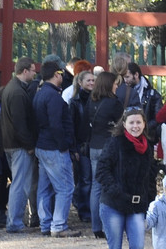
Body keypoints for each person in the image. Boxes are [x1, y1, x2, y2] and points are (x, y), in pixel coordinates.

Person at [96, 108, 157, 249]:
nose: (135, 126)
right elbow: (102, 170)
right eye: (131, 122)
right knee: (115, 246)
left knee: (137, 245)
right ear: (124, 124)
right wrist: (116, 191)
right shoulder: (115, 143)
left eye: (138, 122)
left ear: (144, 124)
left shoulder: (147, 146)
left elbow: (149, 176)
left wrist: (149, 199)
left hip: (137, 205)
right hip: (113, 204)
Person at [33, 59, 80, 237]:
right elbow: (56, 124)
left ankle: (46, 223)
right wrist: (63, 146)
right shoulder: (53, 96)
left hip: (42, 145)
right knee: (65, 187)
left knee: (45, 187)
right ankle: (59, 225)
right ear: (56, 75)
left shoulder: (40, 93)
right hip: (54, 147)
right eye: (61, 74)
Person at [0, 57, 39, 233]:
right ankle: (14, 222)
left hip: (11, 143)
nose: (34, 72)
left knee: (18, 183)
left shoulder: (12, 88)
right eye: (32, 70)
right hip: (19, 145)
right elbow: (20, 123)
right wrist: (29, 145)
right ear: (25, 71)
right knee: (20, 184)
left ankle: (14, 220)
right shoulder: (17, 92)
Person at [86, 70, 123, 238]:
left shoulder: (91, 100)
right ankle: (109, 223)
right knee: (110, 184)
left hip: (94, 145)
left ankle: (96, 226)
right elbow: (121, 125)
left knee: (96, 186)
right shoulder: (114, 103)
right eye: (115, 84)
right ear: (110, 84)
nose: (117, 87)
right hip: (108, 147)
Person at [68, 69, 95, 223]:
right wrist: (74, 148)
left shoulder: (97, 99)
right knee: (85, 179)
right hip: (81, 145)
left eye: (93, 80)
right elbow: (71, 127)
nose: (91, 83)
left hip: (94, 144)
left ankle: (91, 208)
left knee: (93, 178)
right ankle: (83, 210)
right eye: (88, 80)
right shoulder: (75, 102)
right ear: (80, 82)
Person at [118, 62, 162, 141]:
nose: (125, 80)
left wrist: (144, 127)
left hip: (147, 136)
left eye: (127, 77)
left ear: (136, 75)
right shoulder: (122, 91)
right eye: (124, 77)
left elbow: (158, 117)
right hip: (127, 135)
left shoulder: (152, 94)